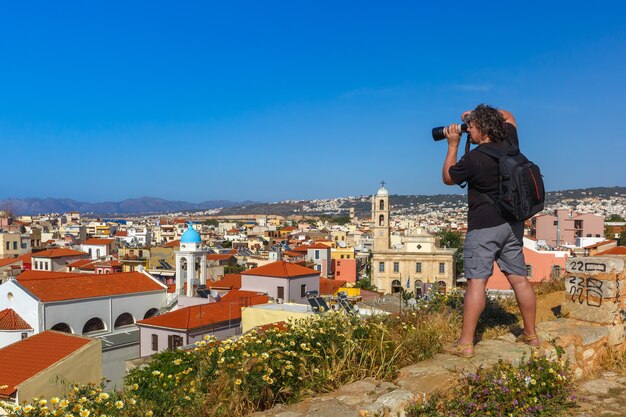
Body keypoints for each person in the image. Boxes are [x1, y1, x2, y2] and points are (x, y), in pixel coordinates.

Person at [441, 104, 540, 358]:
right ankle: (531, 335)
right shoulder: (510, 141)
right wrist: (475, 113)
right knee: (519, 278)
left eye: (471, 127)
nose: (468, 131)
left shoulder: (474, 158)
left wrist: (453, 144)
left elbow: (448, 177)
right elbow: (510, 116)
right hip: (513, 224)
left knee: (477, 282)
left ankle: (465, 343)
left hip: (484, 226)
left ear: (481, 129)